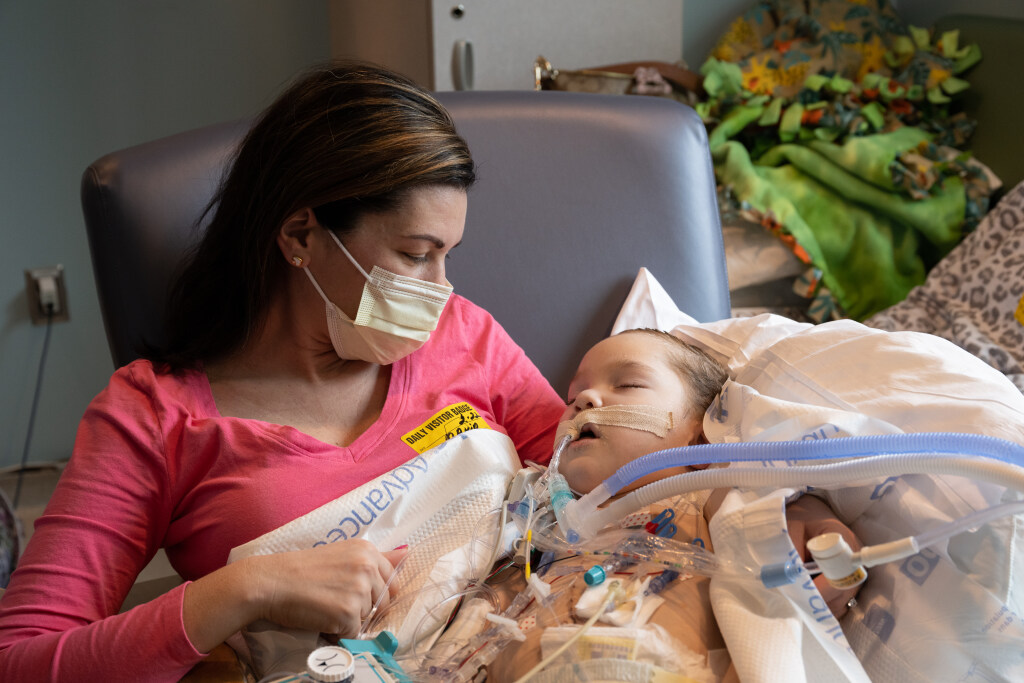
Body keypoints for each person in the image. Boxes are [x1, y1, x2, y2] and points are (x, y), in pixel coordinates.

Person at [0, 62, 565, 683]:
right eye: (415, 255)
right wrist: (244, 590)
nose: (441, 289)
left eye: (447, 256)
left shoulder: (464, 334)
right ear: (301, 234)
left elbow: (597, 485)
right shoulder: (155, 418)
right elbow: (20, 659)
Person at [486, 328, 862, 682]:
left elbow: (772, 501)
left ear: (700, 442)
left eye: (628, 384)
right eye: (571, 399)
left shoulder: (705, 494)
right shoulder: (540, 523)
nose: (584, 401)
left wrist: (809, 514)